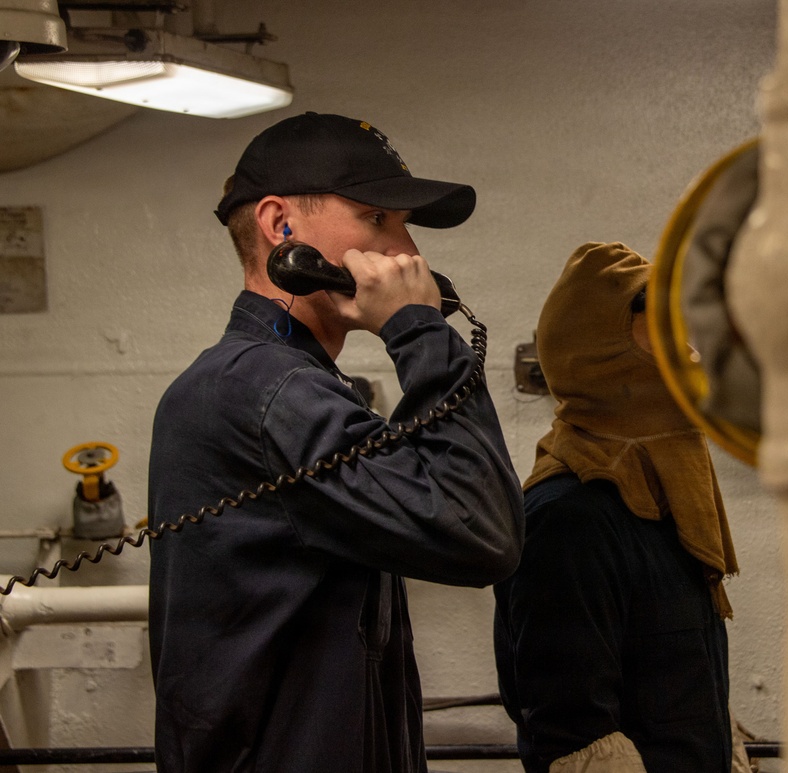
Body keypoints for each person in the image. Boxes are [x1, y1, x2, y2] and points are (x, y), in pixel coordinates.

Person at [147, 112, 525, 773]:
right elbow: (482, 530)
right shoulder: (264, 392)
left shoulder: (289, 386)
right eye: (378, 218)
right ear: (279, 227)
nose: (407, 251)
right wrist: (419, 330)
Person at [493, 242, 742, 773]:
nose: (690, 352)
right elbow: (571, 732)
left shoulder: (663, 499)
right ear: (597, 350)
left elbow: (679, 693)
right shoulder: (567, 518)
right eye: (663, 331)